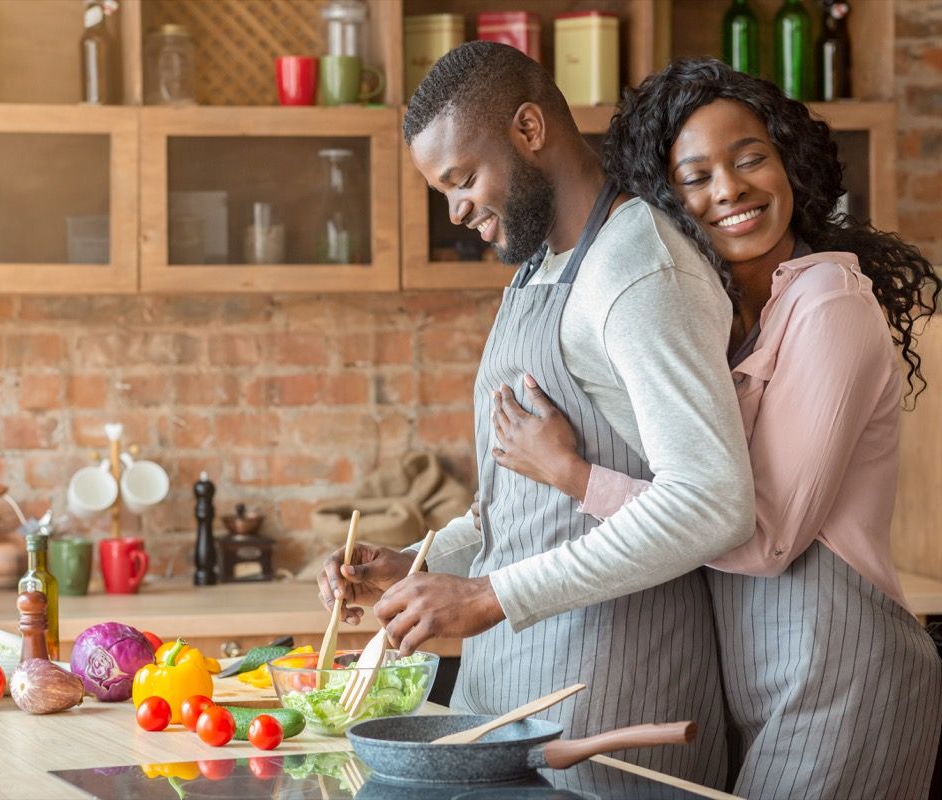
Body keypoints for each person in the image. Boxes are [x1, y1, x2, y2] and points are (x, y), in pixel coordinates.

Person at [488, 58, 942, 800]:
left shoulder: (829, 304)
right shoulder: (721, 322)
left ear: (788, 162)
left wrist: (574, 476)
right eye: (696, 176)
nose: (729, 189)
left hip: (845, 677)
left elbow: (762, 538)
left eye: (751, 158)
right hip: (757, 685)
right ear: (666, 198)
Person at [317, 42, 756, 790]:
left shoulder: (637, 269)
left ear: (528, 129)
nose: (455, 210)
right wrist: (420, 564)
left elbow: (713, 501)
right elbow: (520, 511)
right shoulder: (537, 267)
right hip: (507, 712)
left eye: (462, 179)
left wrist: (490, 595)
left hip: (610, 718)